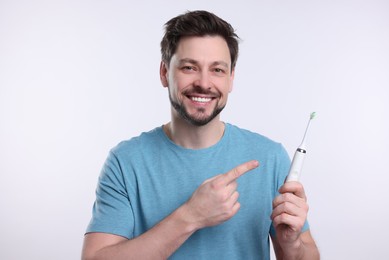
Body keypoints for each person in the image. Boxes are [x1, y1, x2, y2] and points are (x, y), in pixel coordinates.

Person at [82, 10, 320, 260]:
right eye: (189, 67)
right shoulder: (125, 162)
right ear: (164, 73)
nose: (204, 83)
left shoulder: (270, 157)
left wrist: (292, 245)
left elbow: (307, 253)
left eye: (217, 70)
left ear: (231, 79)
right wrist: (190, 217)